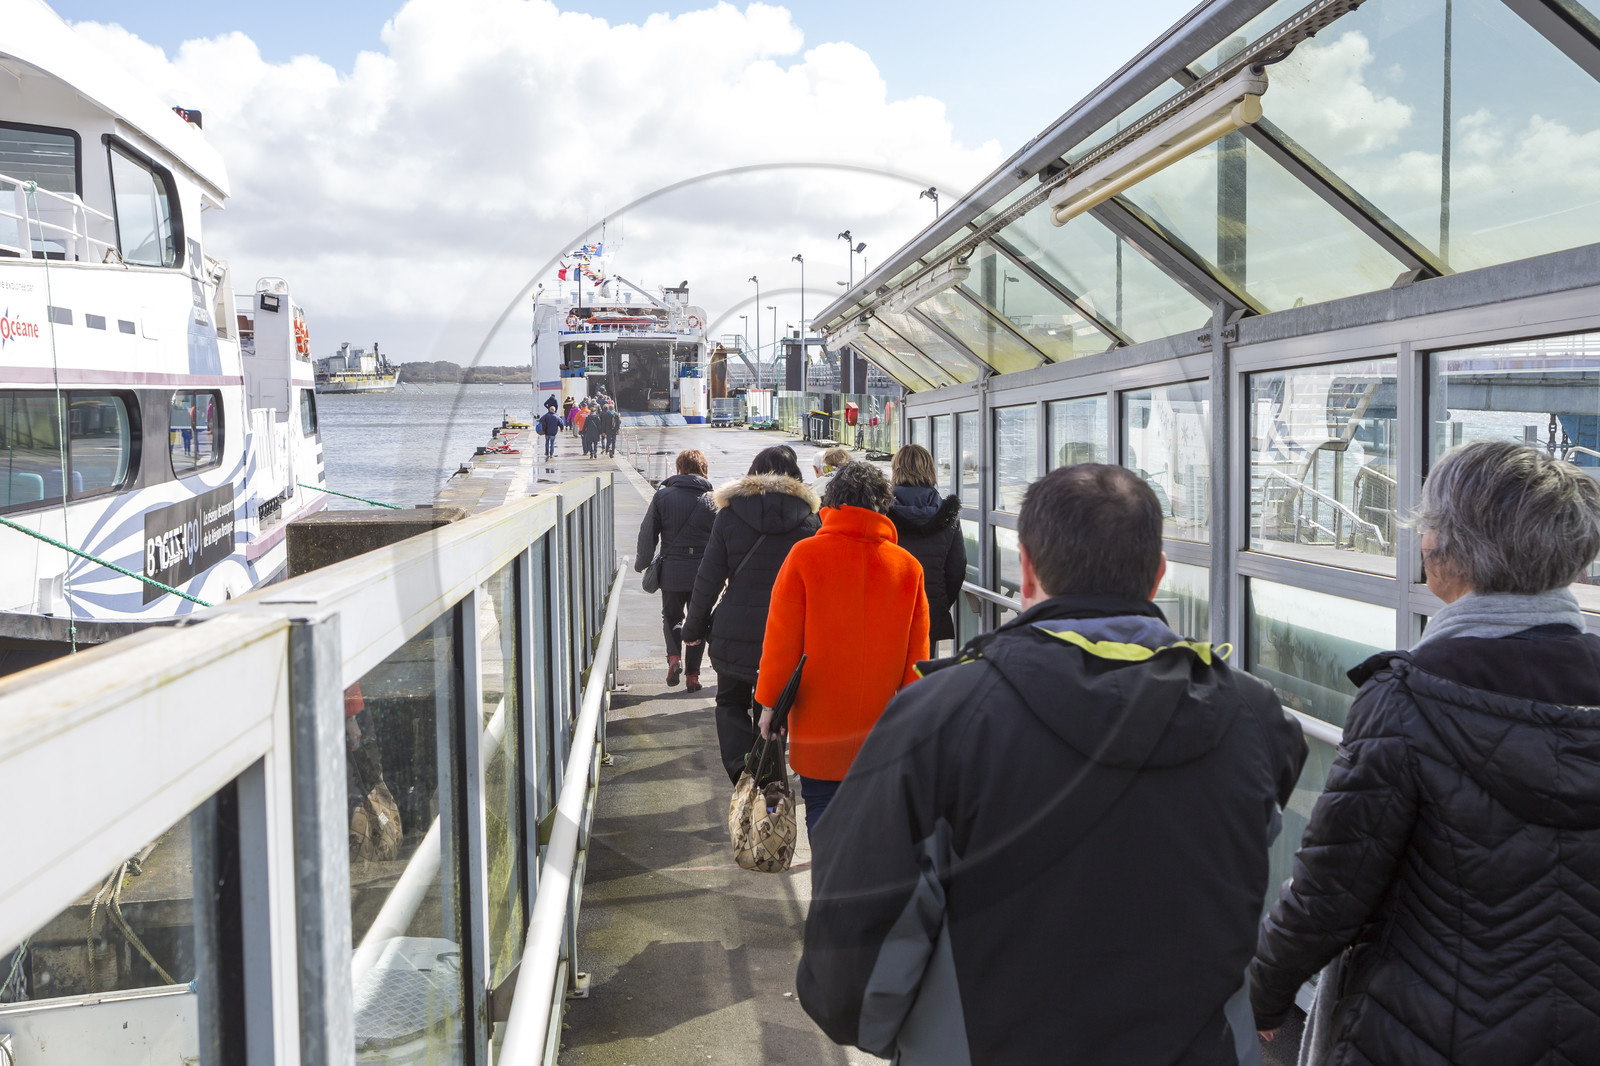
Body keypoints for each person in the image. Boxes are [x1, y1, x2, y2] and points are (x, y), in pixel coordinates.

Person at [796, 463, 1307, 1065]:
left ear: (1028, 570)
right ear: (1158, 573)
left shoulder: (939, 717)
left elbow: (847, 980)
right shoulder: (1254, 718)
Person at [1250, 439, 1600, 1066]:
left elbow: (1332, 888)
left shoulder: (1407, 699)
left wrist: (1268, 992)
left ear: (1447, 549)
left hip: (1425, 1033)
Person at [755, 461, 929, 832]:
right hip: (881, 734)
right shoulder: (908, 568)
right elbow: (918, 662)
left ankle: (830, 885)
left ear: (830, 505)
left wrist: (770, 704)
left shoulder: (804, 556)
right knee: (877, 827)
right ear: (883, 508)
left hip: (819, 729)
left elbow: (781, 642)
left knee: (821, 811)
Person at [682, 445, 822, 783]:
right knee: (772, 710)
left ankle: (742, 772)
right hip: (787, 638)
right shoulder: (810, 520)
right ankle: (767, 778)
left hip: (734, 632)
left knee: (730, 701)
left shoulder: (730, 514)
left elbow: (709, 576)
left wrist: (693, 628)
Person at [634, 449, 715, 689]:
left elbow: (647, 533)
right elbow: (723, 540)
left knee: (671, 616)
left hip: (672, 568)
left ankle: (673, 657)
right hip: (703, 571)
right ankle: (693, 675)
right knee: (699, 619)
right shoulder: (714, 499)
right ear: (703, 470)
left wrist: (643, 562)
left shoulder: (663, 496)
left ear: (678, 469)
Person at [886, 443, 966, 651]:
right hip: (929, 609)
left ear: (897, 469)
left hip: (887, 609)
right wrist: (940, 601)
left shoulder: (882, 512)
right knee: (921, 676)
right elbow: (957, 567)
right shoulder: (948, 514)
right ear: (930, 470)